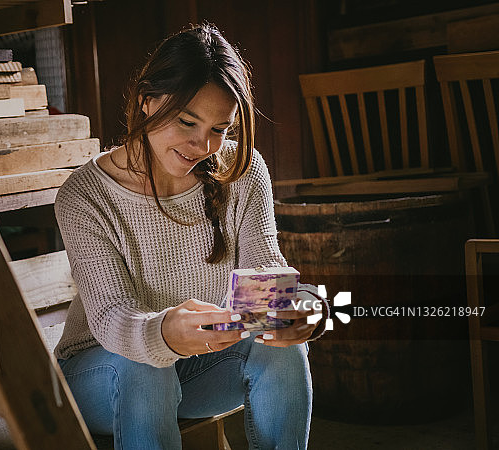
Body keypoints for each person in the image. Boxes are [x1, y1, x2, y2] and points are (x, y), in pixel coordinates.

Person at [54, 23, 330, 450]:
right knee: (147, 366)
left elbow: (264, 276)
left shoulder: (242, 170)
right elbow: (111, 317)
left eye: (220, 128)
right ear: (147, 101)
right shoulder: (85, 195)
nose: (203, 144)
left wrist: (301, 309)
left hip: (197, 367)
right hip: (101, 375)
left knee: (280, 345)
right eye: (187, 121)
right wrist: (162, 332)